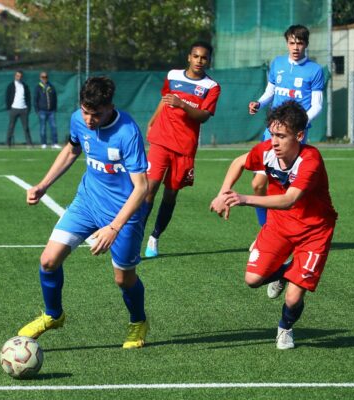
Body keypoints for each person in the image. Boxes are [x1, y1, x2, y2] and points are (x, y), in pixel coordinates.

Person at [18, 76, 150, 349]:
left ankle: (138, 321)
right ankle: (53, 314)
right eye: (85, 112)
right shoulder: (78, 120)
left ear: (110, 106)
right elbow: (71, 150)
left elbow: (141, 189)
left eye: (96, 114)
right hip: (87, 202)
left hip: (123, 213)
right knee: (48, 261)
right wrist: (43, 185)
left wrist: (114, 227)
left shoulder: (128, 132)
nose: (89, 120)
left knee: (123, 279)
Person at [210, 101, 337, 350]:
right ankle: (289, 270)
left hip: (315, 231)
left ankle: (285, 328)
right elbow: (238, 162)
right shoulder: (266, 150)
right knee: (253, 279)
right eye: (272, 134)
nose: (274, 141)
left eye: (281, 136)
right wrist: (223, 193)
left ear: (299, 136)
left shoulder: (310, 160)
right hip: (279, 225)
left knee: (293, 296)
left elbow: (289, 199)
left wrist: (243, 198)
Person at [143, 41, 221, 258]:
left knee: (171, 194)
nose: (199, 61)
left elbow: (204, 116)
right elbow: (165, 100)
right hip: (161, 139)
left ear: (208, 61)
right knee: (148, 189)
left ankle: (155, 237)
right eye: (196, 56)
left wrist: (183, 105)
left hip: (185, 147)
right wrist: (152, 122)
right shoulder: (173, 75)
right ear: (189, 57)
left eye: (204, 58)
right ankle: (135, 235)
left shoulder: (212, 87)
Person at [248, 25, 324, 226]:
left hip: (293, 137)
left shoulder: (315, 70)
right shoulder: (278, 64)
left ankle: (293, 232)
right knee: (258, 184)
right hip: (272, 133)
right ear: (287, 43)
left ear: (306, 44)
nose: (296, 47)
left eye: (300, 43)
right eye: (292, 43)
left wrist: (300, 124)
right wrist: (259, 103)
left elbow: (317, 105)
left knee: (288, 192)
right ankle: (266, 231)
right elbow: (270, 91)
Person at [5, 70, 33, 147]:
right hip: (14, 108)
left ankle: (29, 144)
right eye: (17, 76)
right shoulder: (11, 86)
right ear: (15, 76)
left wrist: (28, 108)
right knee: (11, 127)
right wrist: (9, 108)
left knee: (26, 127)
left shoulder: (25, 86)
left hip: (23, 109)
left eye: (20, 76)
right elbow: (7, 97)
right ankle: (8, 143)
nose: (19, 77)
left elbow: (28, 98)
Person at [34, 71, 61, 149]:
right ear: (40, 78)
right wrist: (37, 110)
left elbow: (55, 98)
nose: (44, 79)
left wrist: (55, 108)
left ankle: (54, 143)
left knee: (53, 127)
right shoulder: (38, 87)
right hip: (42, 110)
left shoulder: (51, 86)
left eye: (45, 77)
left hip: (51, 111)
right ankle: (43, 143)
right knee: (43, 128)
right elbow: (35, 99)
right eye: (43, 77)